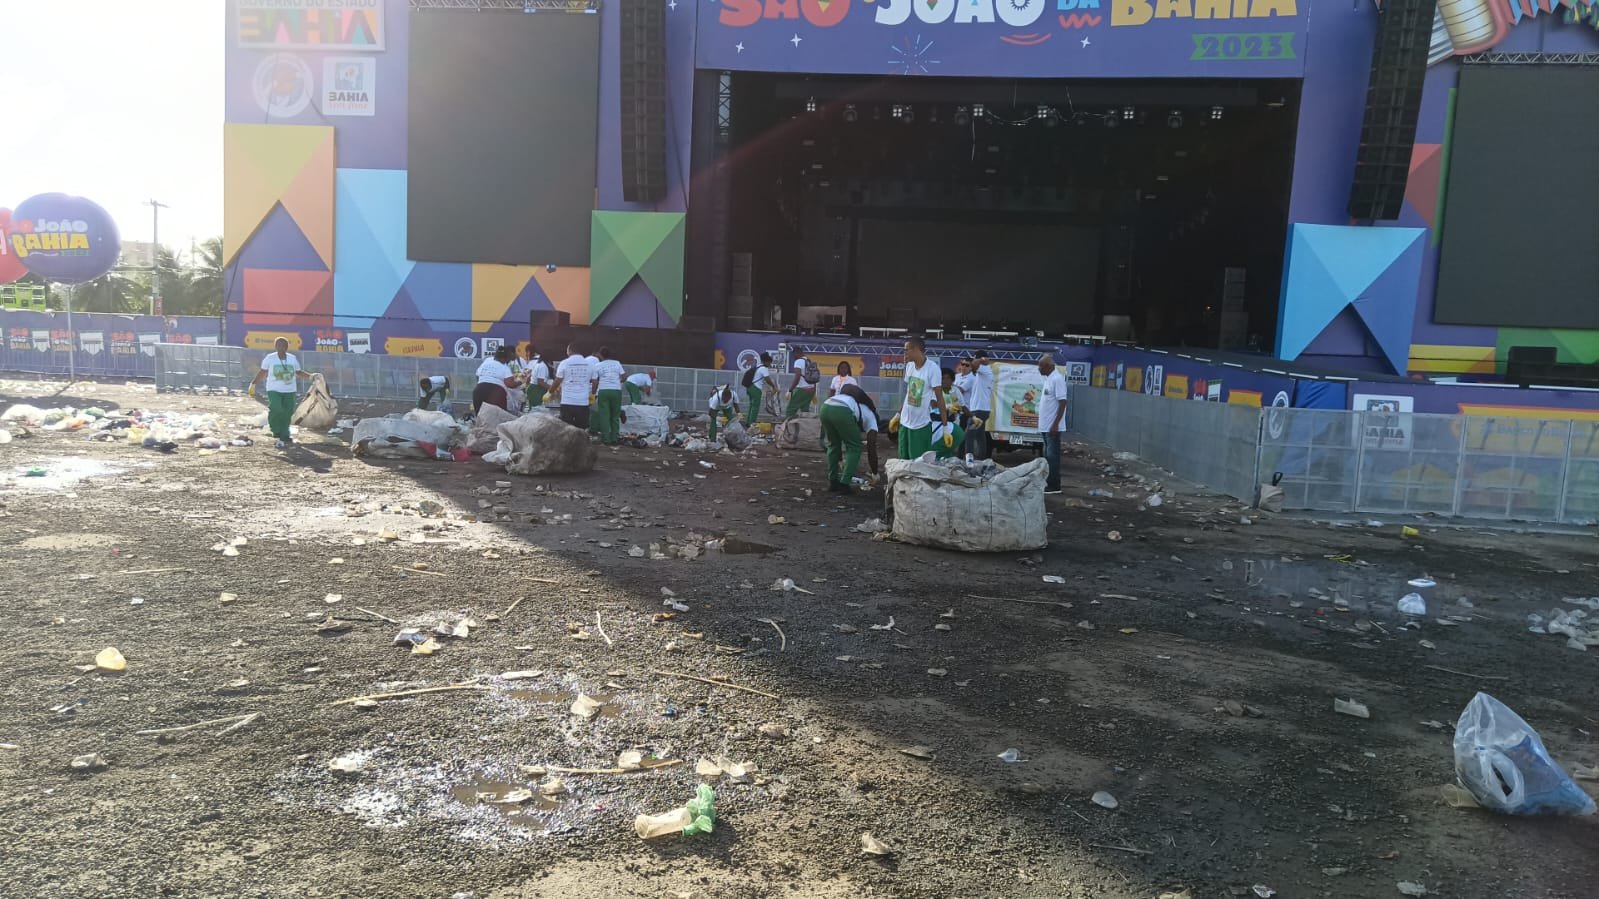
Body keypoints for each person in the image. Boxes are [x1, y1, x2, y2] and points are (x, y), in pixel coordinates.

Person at [889, 336, 948, 460]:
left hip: (920, 425)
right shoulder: (910, 366)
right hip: (905, 423)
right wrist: (898, 415)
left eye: (906, 350)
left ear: (916, 349)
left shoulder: (932, 369)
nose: (904, 353)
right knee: (902, 460)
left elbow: (940, 399)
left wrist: (945, 427)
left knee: (917, 464)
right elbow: (909, 394)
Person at [249, 337, 314, 448]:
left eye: (284, 345)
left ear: (287, 347)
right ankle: (275, 429)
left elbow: (298, 372)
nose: (282, 347)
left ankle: (284, 434)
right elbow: (263, 372)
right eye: (279, 345)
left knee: (287, 412)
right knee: (276, 408)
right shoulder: (270, 358)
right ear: (275, 346)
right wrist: (253, 383)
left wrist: (311, 377)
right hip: (274, 389)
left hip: (290, 390)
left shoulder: (292, 359)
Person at [820, 382, 881, 494]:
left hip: (826, 406)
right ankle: (844, 484)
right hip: (842, 410)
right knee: (855, 447)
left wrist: (840, 459)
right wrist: (875, 472)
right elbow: (871, 447)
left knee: (834, 445)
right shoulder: (873, 420)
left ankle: (833, 482)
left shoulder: (858, 404)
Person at [1037, 353, 1069, 495]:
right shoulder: (1048, 379)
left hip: (1052, 427)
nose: (1039, 369)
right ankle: (1048, 482)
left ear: (1049, 366)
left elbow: (1063, 403)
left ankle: (1054, 485)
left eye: (1041, 366)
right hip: (1046, 426)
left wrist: (1056, 424)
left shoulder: (1057, 379)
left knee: (1052, 457)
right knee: (1047, 457)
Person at [551, 343, 595, 430]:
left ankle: (568, 444)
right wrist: (593, 394)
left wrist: (550, 392)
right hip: (583, 402)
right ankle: (580, 443)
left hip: (567, 402)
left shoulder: (564, 363)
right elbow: (595, 381)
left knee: (566, 429)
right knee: (581, 429)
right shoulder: (589, 364)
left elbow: (557, 380)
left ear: (570, 351)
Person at [960, 350, 995, 460]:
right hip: (979, 409)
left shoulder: (985, 370)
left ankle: (969, 460)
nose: (971, 365)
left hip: (980, 410)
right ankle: (981, 460)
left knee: (969, 435)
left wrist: (981, 359)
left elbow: (975, 363)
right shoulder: (982, 373)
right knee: (980, 436)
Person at [929, 367, 966, 460]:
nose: (945, 380)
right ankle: (932, 459)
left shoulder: (955, 390)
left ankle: (944, 462)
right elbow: (933, 404)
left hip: (953, 422)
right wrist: (948, 406)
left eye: (948, 378)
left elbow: (962, 406)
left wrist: (973, 416)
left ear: (952, 380)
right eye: (942, 378)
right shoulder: (936, 390)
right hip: (937, 421)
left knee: (950, 444)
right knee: (938, 443)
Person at [592, 346, 626, 445]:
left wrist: (593, 394)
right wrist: (618, 382)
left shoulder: (598, 365)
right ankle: (614, 438)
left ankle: (606, 439)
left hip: (603, 391)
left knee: (604, 415)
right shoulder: (617, 363)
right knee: (615, 415)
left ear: (600, 355)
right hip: (616, 391)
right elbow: (624, 376)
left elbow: (594, 382)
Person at [472, 345, 518, 415]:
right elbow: (510, 384)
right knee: (497, 417)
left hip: (478, 390)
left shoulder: (486, 362)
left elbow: (477, 375)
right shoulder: (504, 367)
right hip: (496, 392)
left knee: (480, 416)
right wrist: (520, 382)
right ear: (504, 358)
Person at [785, 351, 821, 419]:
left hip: (803, 389)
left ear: (797, 353)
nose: (794, 357)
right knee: (805, 410)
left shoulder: (798, 361)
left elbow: (797, 376)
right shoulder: (809, 361)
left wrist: (790, 390)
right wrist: (814, 392)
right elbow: (814, 378)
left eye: (794, 355)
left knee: (791, 409)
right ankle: (805, 427)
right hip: (811, 390)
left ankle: (787, 427)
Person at [742, 353, 775, 427]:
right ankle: (752, 423)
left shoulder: (758, 366)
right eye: (769, 362)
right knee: (755, 407)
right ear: (766, 362)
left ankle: (748, 422)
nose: (770, 364)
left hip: (750, 387)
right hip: (756, 389)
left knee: (752, 406)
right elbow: (768, 380)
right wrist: (774, 387)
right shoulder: (764, 368)